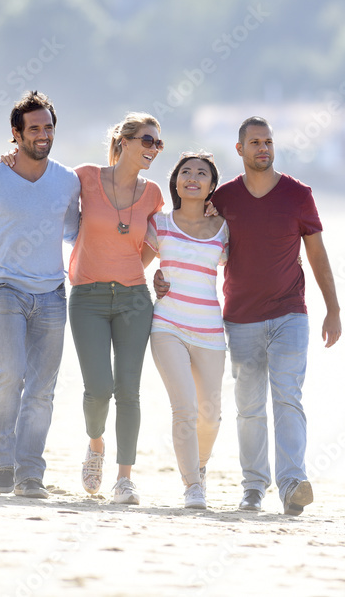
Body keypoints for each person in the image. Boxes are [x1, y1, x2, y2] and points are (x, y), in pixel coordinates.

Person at [155, 116, 341, 515]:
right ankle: (254, 487)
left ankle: (292, 483)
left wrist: (333, 308)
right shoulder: (223, 198)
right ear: (239, 149)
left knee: (288, 396)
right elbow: (191, 239)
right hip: (240, 319)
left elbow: (317, 255)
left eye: (268, 142)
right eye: (255, 142)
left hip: (291, 312)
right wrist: (162, 276)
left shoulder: (298, 195)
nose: (263, 148)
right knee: (250, 407)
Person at [0, 90, 81, 499]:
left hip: (51, 294)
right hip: (4, 289)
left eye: (48, 128)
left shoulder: (68, 181)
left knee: (42, 388)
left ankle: (30, 474)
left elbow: (78, 233)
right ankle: (2, 463)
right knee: (9, 374)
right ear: (16, 134)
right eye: (34, 129)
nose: (43, 135)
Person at [68, 112, 164, 504]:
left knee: (128, 390)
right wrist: (10, 162)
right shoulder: (85, 178)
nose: (153, 150)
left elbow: (160, 240)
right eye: (147, 141)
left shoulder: (154, 193)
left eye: (158, 144)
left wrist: (125, 271)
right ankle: (96, 444)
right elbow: (42, 188)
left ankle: (124, 479)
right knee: (98, 389)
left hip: (133, 300)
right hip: (87, 298)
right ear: (124, 141)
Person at [145, 152, 228, 510]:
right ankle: (192, 486)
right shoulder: (159, 223)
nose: (193, 177)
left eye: (202, 173)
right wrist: (154, 279)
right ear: (176, 181)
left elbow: (252, 262)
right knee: (185, 408)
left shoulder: (224, 228)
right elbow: (135, 266)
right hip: (168, 325)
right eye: (186, 172)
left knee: (210, 415)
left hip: (210, 329)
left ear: (212, 185)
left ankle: (201, 466)